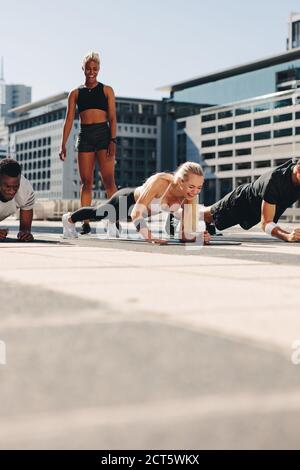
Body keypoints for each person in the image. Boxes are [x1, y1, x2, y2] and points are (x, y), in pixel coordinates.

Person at [62, 162, 211, 244]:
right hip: (127, 201)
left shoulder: (190, 197)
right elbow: (136, 213)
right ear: (179, 181)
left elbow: (185, 235)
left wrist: (197, 236)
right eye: (191, 186)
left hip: (138, 215)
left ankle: (111, 222)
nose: (194, 191)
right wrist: (149, 236)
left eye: (199, 187)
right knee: (98, 213)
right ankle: (69, 219)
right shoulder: (161, 183)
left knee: (111, 217)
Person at [59, 51, 117, 235]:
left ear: (99, 69)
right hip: (85, 136)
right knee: (86, 182)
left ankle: (113, 221)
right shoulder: (75, 93)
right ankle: (85, 221)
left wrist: (113, 140)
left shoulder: (107, 90)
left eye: (95, 69)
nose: (92, 72)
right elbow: (69, 120)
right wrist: (63, 144)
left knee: (109, 181)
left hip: (103, 135)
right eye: (88, 68)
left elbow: (113, 118)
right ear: (83, 69)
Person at [203, 158, 300, 242]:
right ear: (298, 170)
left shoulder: (296, 171)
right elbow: (266, 223)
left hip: (256, 211)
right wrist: (287, 236)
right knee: (207, 216)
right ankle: (190, 211)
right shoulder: (275, 182)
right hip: (240, 201)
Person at [0, 158, 35, 242]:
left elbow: (25, 229)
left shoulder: (26, 189)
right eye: (7, 186)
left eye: (16, 186)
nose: (12, 191)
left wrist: (25, 234)